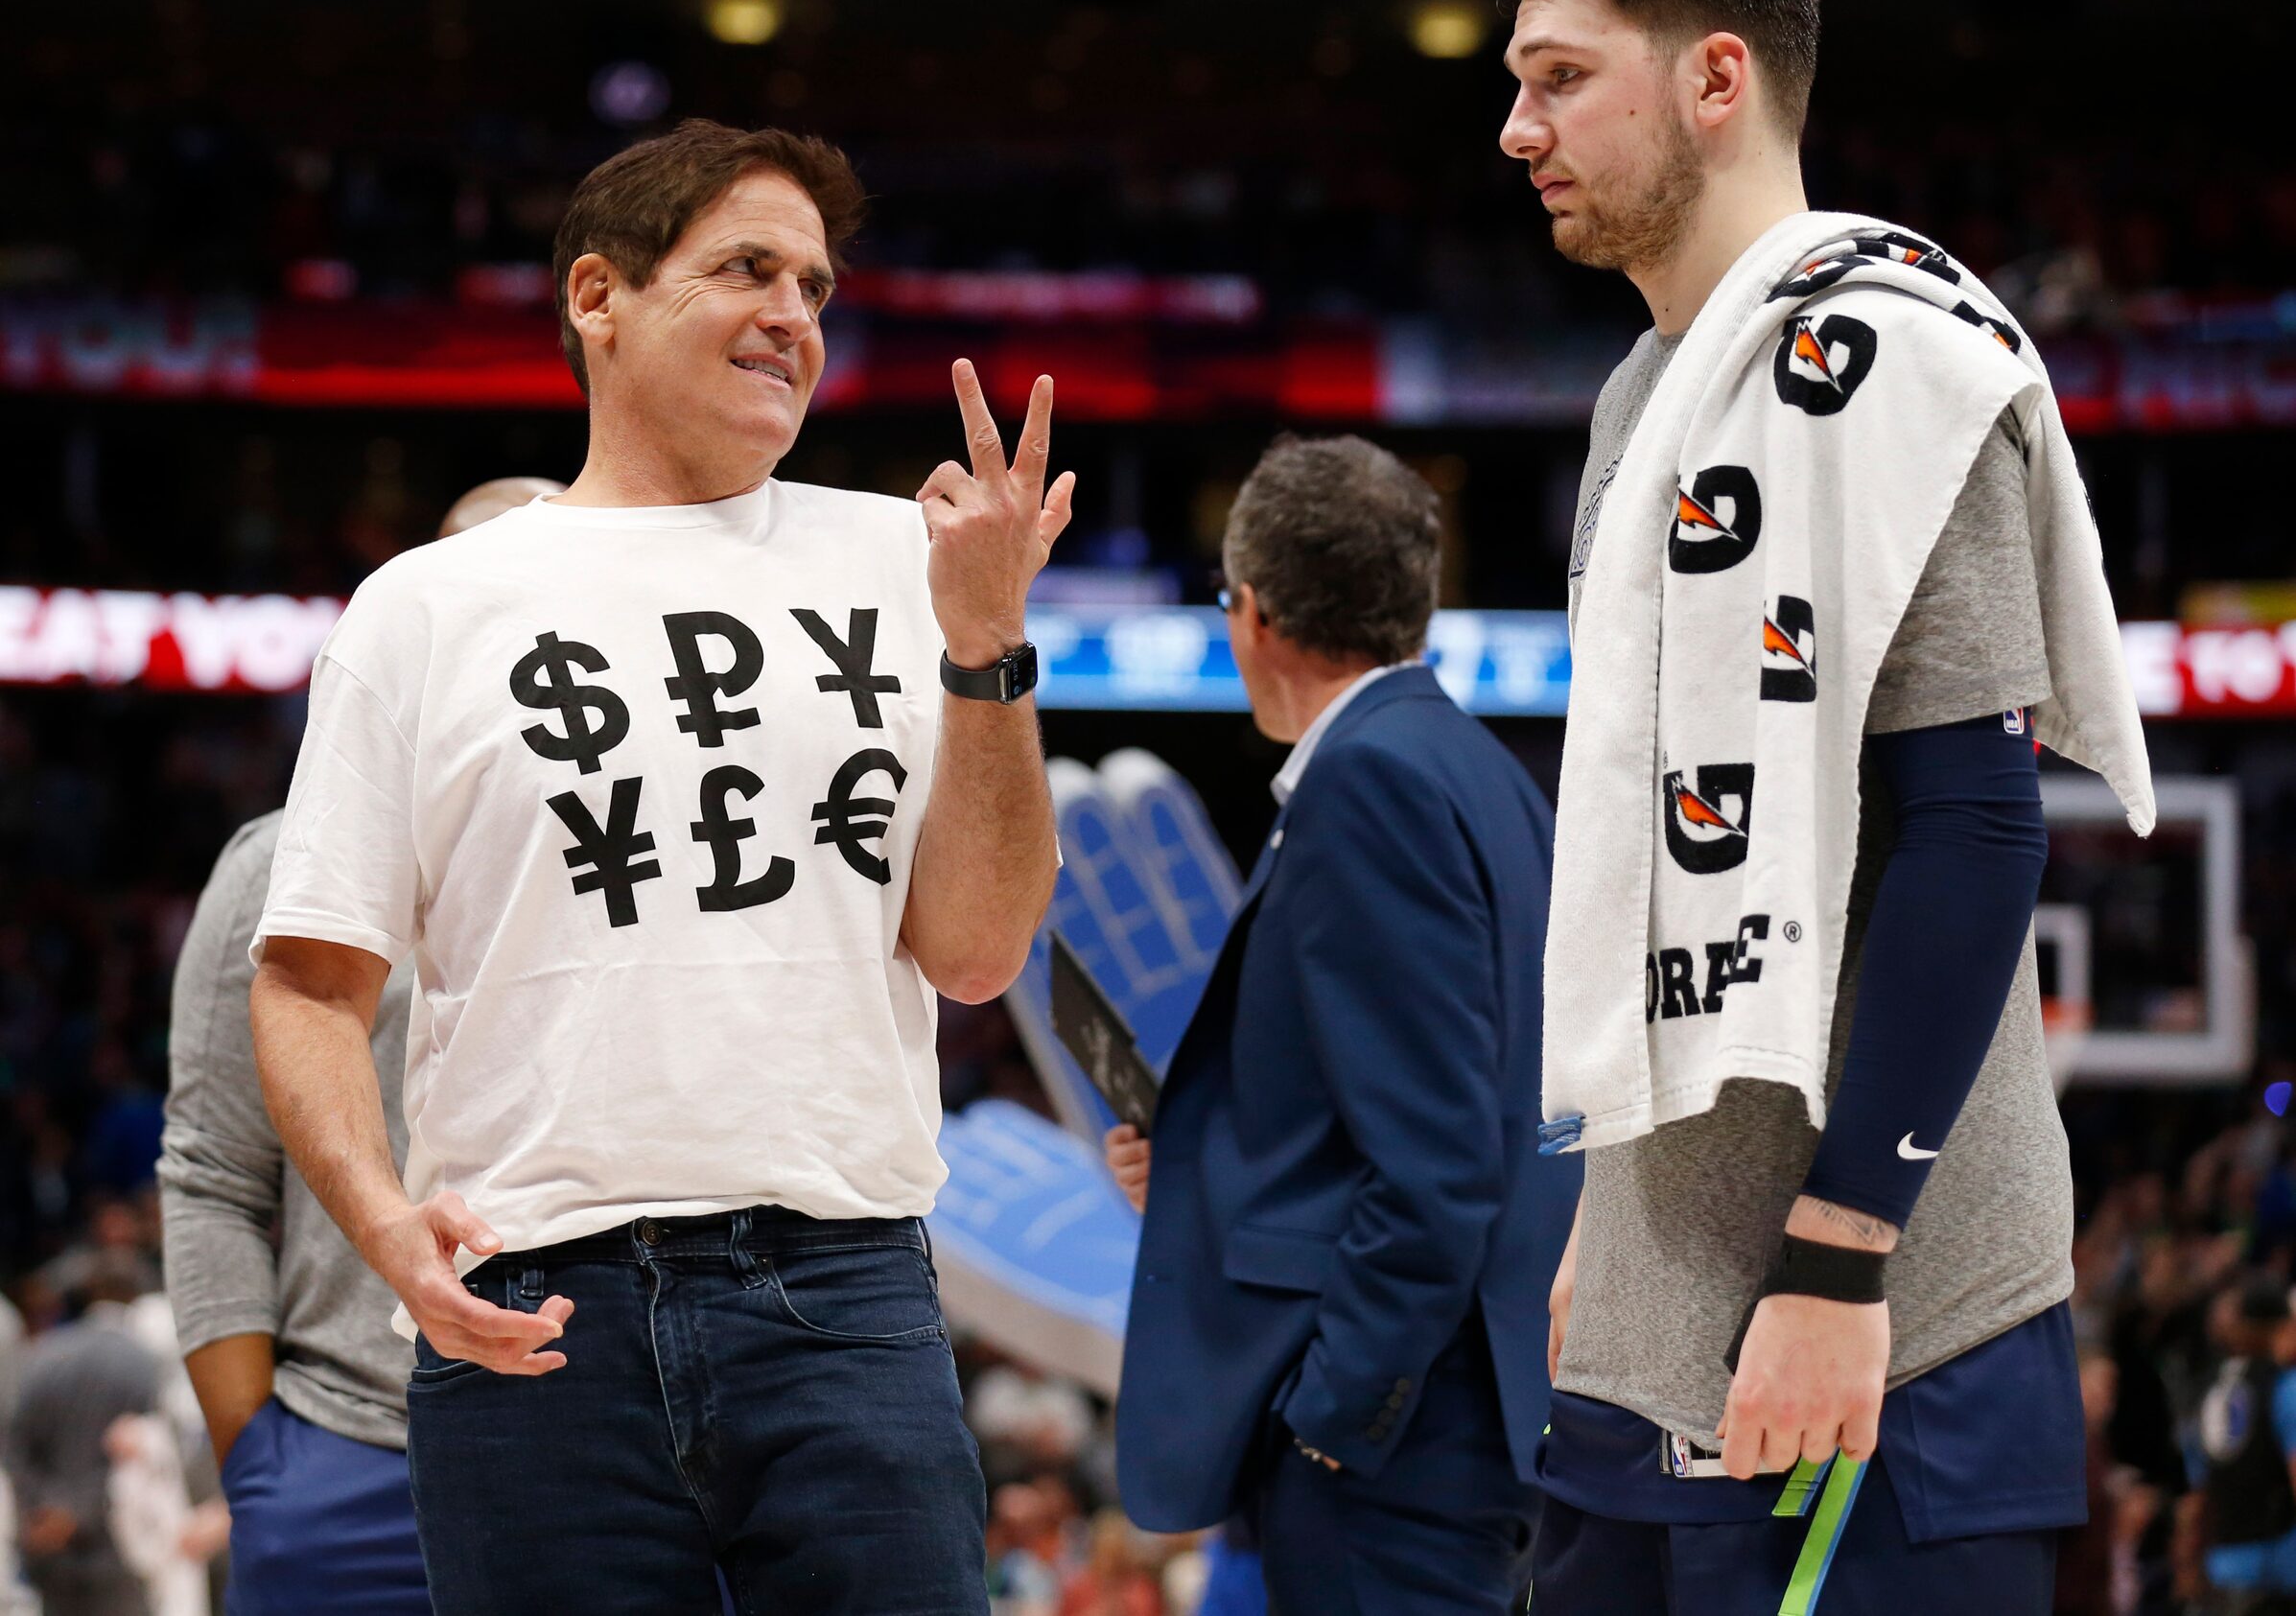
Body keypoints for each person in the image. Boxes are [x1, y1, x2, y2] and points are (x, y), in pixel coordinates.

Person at [246, 119, 1073, 1614]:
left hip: (843, 1286)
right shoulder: (422, 608)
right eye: (747, 269)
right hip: (532, 1305)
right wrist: (386, 1230)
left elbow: (976, 952)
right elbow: (308, 977)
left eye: (816, 287)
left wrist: (986, 644)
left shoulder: (915, 561)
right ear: (596, 296)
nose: (794, 316)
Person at [1489, 0, 2154, 1613]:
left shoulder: (1901, 365)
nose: (1513, 127)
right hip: (1651, 1328)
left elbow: (1971, 827)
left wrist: (1839, 1255)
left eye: (1558, 76)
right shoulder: (1643, 391)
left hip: (1866, 1336)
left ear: (1713, 78)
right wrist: (1611, 1224)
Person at [1106, 435, 1580, 1613]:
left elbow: (1436, 1163)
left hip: (1400, 1440)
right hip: (1462, 1414)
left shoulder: (1371, 781)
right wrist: (1204, 1169)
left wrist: (1337, 1417)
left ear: (1252, 612)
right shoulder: (1476, 767)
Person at [158, 476, 562, 1615]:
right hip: (348, 1460)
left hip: (621, 1457)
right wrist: (265, 1468)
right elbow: (212, 1174)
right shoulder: (278, 865)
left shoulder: (670, 857)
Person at [5, 1259, 162, 1616]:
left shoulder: (45, 1352)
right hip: (120, 1546)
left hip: (47, 1544)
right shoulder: (146, 1360)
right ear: (137, 1298)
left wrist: (43, 1509)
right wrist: (78, 1513)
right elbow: (147, 1458)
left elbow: (16, 1444)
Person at [2193, 1275, 2296, 1610]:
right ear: (2279, 1327)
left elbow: (2199, 1493)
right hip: (2279, 1567)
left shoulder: (2209, 1389)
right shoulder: (2286, 1387)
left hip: (2222, 1565)